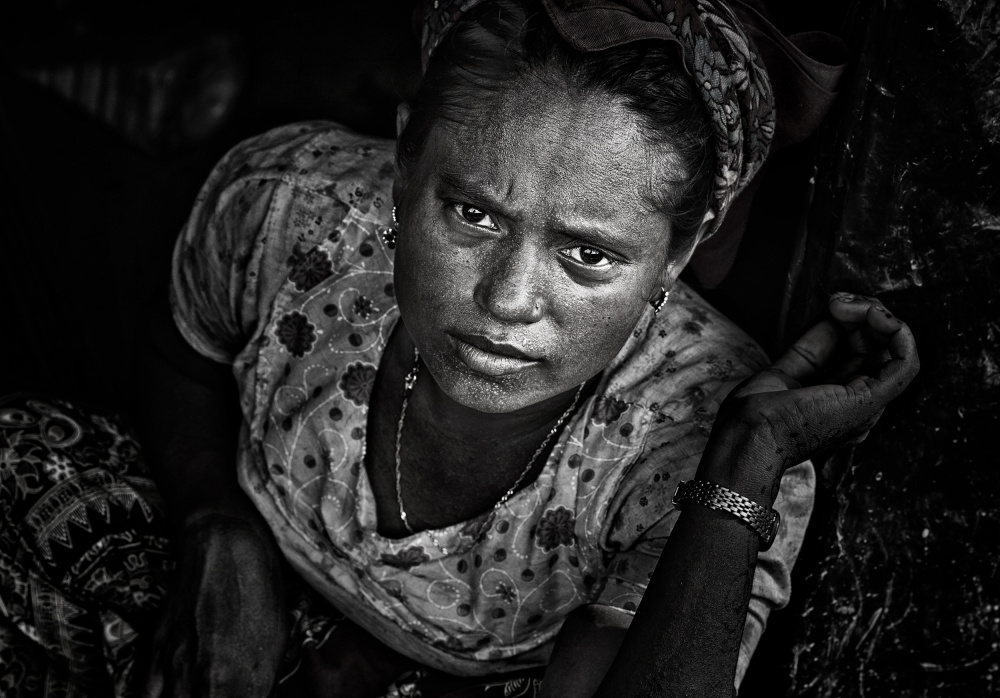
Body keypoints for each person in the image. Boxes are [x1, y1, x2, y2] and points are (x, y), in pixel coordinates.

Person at [0, 1, 919, 697]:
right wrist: (214, 516)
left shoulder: (694, 437)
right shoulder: (292, 208)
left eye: (588, 254)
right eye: (473, 213)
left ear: (677, 253)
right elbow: (181, 356)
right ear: (404, 163)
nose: (507, 302)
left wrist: (746, 456)